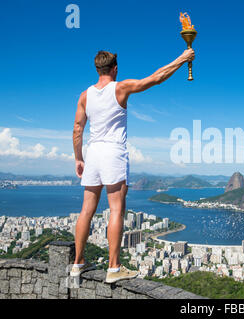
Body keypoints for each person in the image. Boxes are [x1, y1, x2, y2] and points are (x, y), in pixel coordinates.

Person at [70, 49, 195, 283]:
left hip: (93, 152)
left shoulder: (85, 95)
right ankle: (114, 267)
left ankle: (77, 263)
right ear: (115, 69)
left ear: (97, 69)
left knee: (87, 209)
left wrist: (79, 158)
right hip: (114, 153)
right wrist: (182, 59)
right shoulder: (120, 87)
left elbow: (78, 128)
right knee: (116, 209)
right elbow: (155, 78)